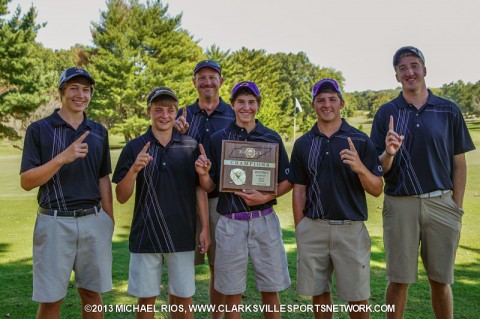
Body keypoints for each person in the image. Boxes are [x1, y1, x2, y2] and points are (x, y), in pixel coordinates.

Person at [370, 46, 475, 319]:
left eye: (414, 65)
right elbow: (378, 167)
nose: (409, 72)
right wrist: (388, 152)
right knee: (398, 279)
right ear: (396, 76)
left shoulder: (448, 110)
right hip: (400, 204)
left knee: (441, 281)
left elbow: (459, 162)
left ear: (425, 70)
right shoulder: (386, 113)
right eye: (402, 68)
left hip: (441, 204)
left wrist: (456, 206)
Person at [20, 67, 114, 319]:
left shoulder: (99, 131)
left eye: (86, 90)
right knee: (51, 300)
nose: (80, 95)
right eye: (74, 88)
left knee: (92, 295)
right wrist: (62, 158)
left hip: (93, 221)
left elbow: (103, 177)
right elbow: (27, 181)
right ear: (62, 92)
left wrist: (108, 220)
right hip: (53, 223)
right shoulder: (39, 129)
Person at [195, 81, 291, 319]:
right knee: (232, 292)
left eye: (251, 102)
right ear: (233, 104)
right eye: (240, 102)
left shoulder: (271, 137)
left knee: (270, 289)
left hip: (264, 220)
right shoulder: (219, 138)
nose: (246, 107)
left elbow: (288, 180)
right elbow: (209, 186)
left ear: (258, 104)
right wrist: (204, 174)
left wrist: (266, 196)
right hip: (230, 222)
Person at [113, 87, 210, 319]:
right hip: (146, 235)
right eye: (158, 110)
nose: (164, 115)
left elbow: (201, 189)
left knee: (183, 300)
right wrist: (134, 169)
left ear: (176, 113)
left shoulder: (190, 145)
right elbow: (121, 195)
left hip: (182, 234)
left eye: (170, 110)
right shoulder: (134, 147)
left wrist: (205, 227)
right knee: (146, 300)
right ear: (149, 112)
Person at [289, 79, 383, 319]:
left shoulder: (360, 140)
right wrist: (301, 227)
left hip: (350, 228)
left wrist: (360, 168)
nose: (326, 105)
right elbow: (299, 189)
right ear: (313, 105)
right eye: (320, 100)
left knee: (357, 296)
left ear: (341, 103)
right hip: (314, 227)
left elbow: (376, 189)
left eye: (332, 99)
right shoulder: (303, 144)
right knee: (319, 293)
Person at [174, 59, 235, 318]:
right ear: (194, 82)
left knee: (217, 267)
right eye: (202, 77)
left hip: (218, 200)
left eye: (213, 76)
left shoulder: (233, 114)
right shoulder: (181, 115)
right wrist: (178, 134)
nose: (207, 81)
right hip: (182, 199)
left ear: (221, 81)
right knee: (180, 265)